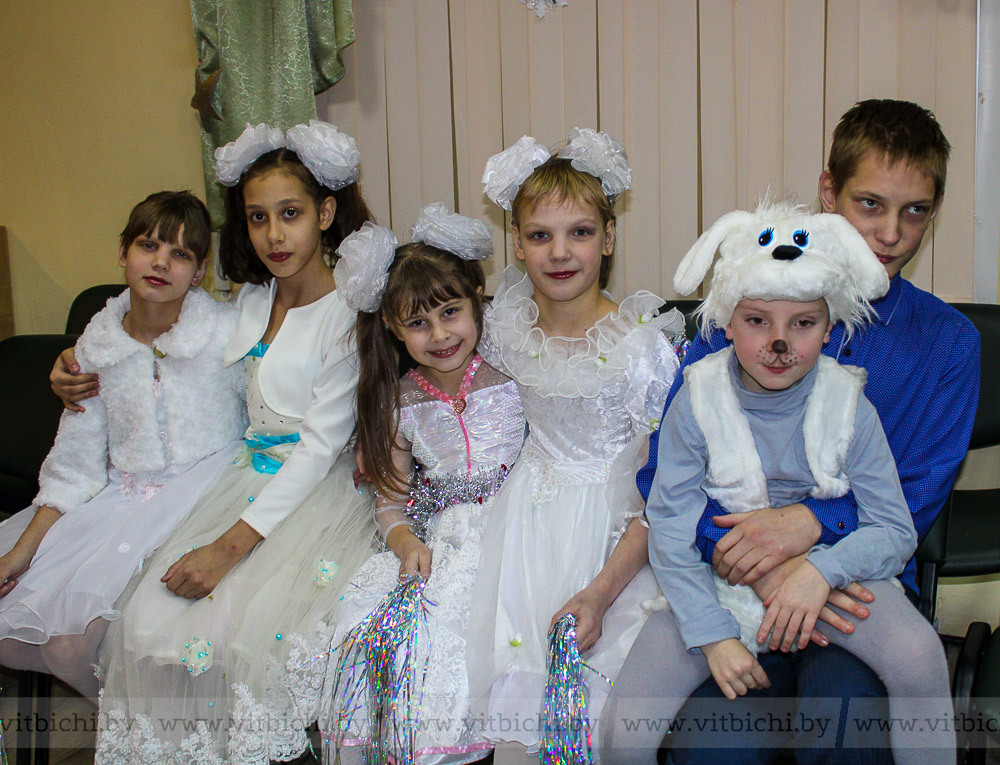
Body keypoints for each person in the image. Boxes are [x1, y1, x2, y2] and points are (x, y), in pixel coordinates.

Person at [603, 100, 979, 763]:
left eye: (916, 211)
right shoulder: (733, 321)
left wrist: (810, 529)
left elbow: (914, 500)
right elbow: (666, 477)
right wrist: (760, 561)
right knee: (711, 749)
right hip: (729, 579)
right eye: (870, 204)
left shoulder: (948, 345)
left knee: (845, 734)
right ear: (828, 192)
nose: (892, 233)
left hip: (855, 589)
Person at [71, 121, 381, 762]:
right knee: (144, 625)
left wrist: (225, 550)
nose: (274, 235)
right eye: (258, 217)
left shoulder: (349, 314)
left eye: (291, 214)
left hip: (313, 501)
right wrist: (72, 361)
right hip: (235, 480)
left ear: (325, 214)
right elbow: (151, 326)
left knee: (243, 643)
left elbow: (318, 450)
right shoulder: (246, 299)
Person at [465, 129, 686, 762]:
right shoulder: (502, 326)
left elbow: (664, 487)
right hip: (520, 527)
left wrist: (603, 588)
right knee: (510, 698)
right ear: (517, 243)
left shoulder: (641, 348)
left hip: (616, 537)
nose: (559, 252)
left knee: (593, 716)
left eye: (580, 233)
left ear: (608, 238)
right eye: (540, 235)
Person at [0, 191, 246, 699]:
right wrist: (21, 553)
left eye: (180, 254)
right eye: (148, 245)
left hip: (211, 500)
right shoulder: (96, 349)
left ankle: (154, 726)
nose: (161, 262)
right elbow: (73, 468)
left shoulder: (227, 333)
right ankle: (134, 723)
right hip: (121, 502)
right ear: (122, 252)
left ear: (200, 272)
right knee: (49, 635)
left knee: (118, 642)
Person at [307, 204, 526, 764]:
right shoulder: (399, 402)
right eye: (418, 323)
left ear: (477, 300)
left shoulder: (514, 372)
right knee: (383, 634)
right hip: (444, 542)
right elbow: (389, 500)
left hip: (519, 528)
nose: (440, 334)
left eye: (451, 312)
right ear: (391, 326)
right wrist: (405, 540)